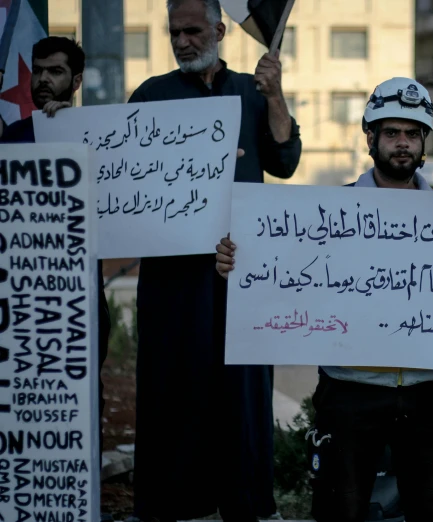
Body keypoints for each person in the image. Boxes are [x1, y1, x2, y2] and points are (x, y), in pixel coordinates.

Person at [215, 77, 433, 522]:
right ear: (371, 138)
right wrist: (238, 262)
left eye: (412, 134)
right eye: (391, 133)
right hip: (350, 393)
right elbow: (279, 275)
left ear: (425, 140)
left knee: (428, 509)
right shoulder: (330, 213)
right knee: (341, 511)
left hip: (430, 396)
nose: (402, 144)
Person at [126, 0, 301, 521]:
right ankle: (168, 504)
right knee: (170, 388)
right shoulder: (151, 95)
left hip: (242, 277)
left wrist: (276, 97)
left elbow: (286, 163)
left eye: (192, 30)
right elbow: (120, 177)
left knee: (243, 394)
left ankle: (244, 503)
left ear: (221, 30)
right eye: (174, 32)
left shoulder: (251, 91)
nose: (182, 41)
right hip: (172, 281)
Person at [0, 38, 113, 518]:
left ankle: (78, 499)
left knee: (84, 396)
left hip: (82, 299)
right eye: (39, 71)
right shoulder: (12, 139)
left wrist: (71, 131)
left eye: (56, 72)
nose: (44, 80)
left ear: (77, 81)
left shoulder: (102, 137)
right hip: (23, 303)